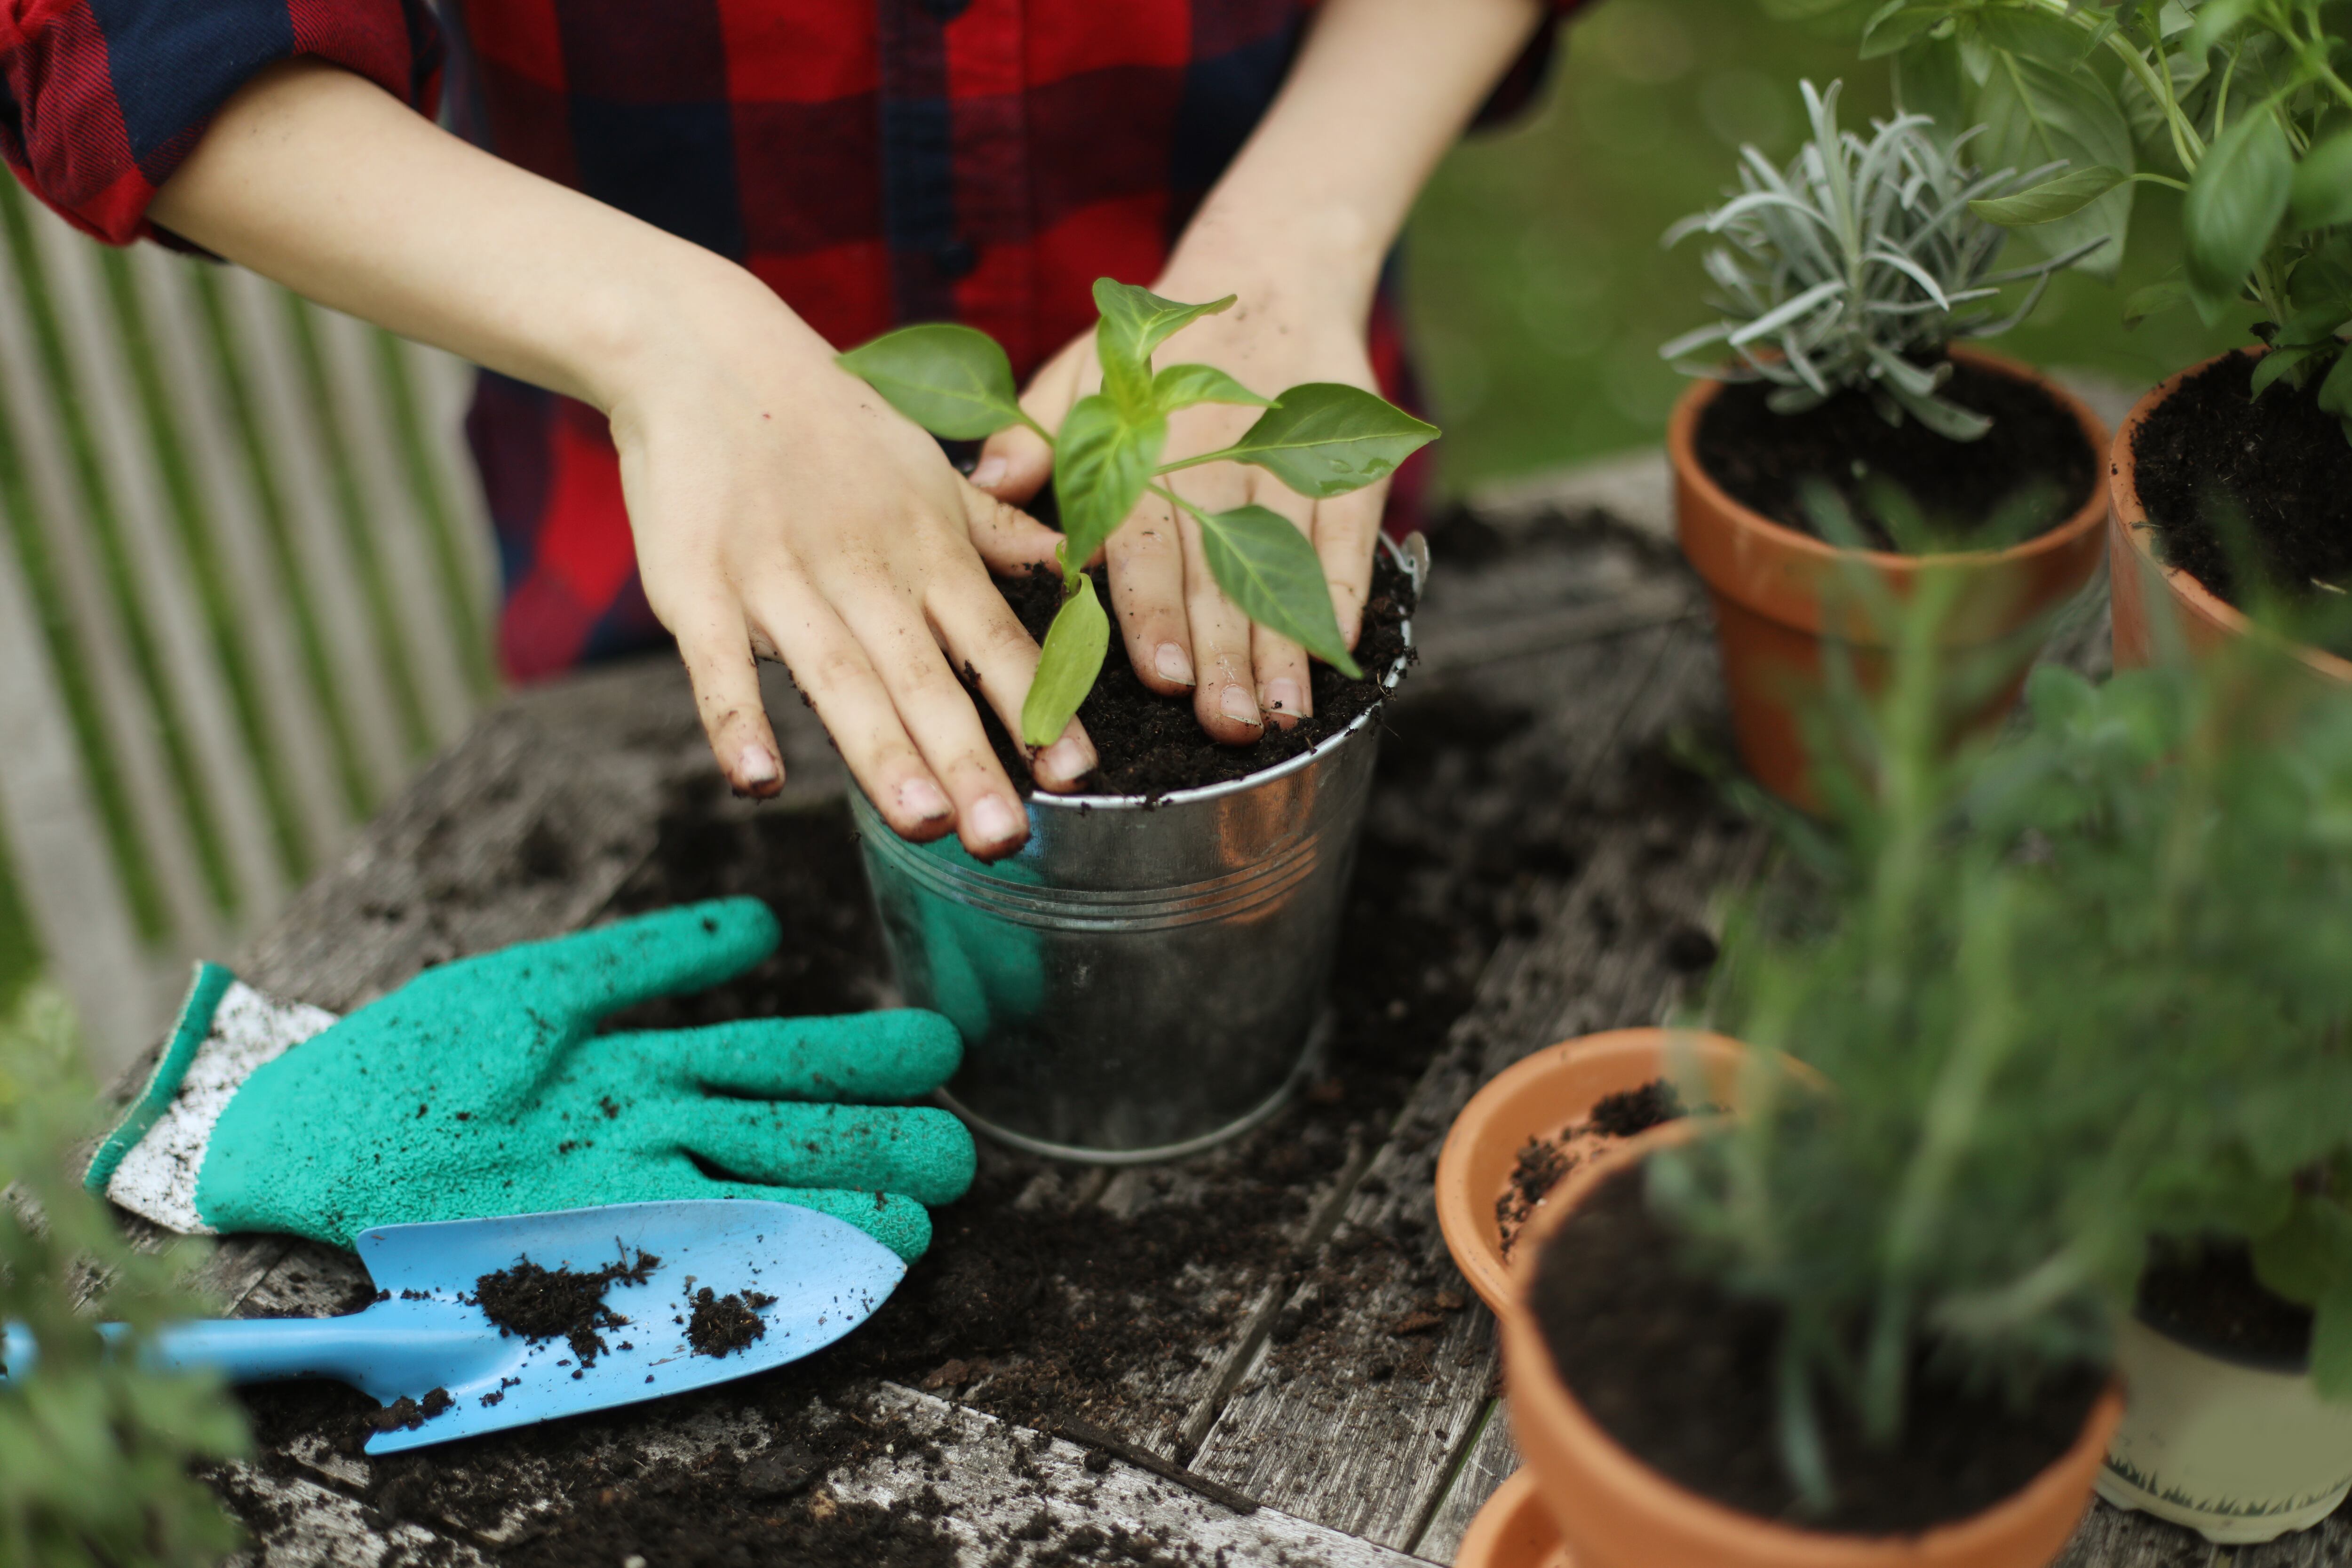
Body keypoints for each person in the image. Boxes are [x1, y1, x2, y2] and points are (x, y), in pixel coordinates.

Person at [2, 0, 1567, 862]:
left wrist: (1299, 227)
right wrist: (661, 336)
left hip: (1263, 498)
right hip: (677, 632)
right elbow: (121, 41)